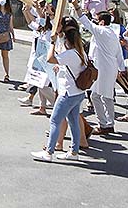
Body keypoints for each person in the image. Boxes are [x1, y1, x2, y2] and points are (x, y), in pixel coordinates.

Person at [31, 18, 90, 162]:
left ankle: (49, 152)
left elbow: (51, 58)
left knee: (55, 120)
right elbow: (70, 66)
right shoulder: (79, 51)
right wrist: (61, 67)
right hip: (78, 92)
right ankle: (74, 152)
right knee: (74, 121)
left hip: (68, 93)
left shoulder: (70, 54)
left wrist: (52, 42)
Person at [74, 4, 124, 135]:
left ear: (102, 22)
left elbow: (84, 21)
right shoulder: (112, 33)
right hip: (107, 68)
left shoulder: (101, 31)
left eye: (96, 20)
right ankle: (107, 123)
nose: (95, 22)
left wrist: (76, 6)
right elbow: (119, 54)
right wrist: (122, 68)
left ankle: (105, 124)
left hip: (104, 69)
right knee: (103, 96)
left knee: (100, 97)